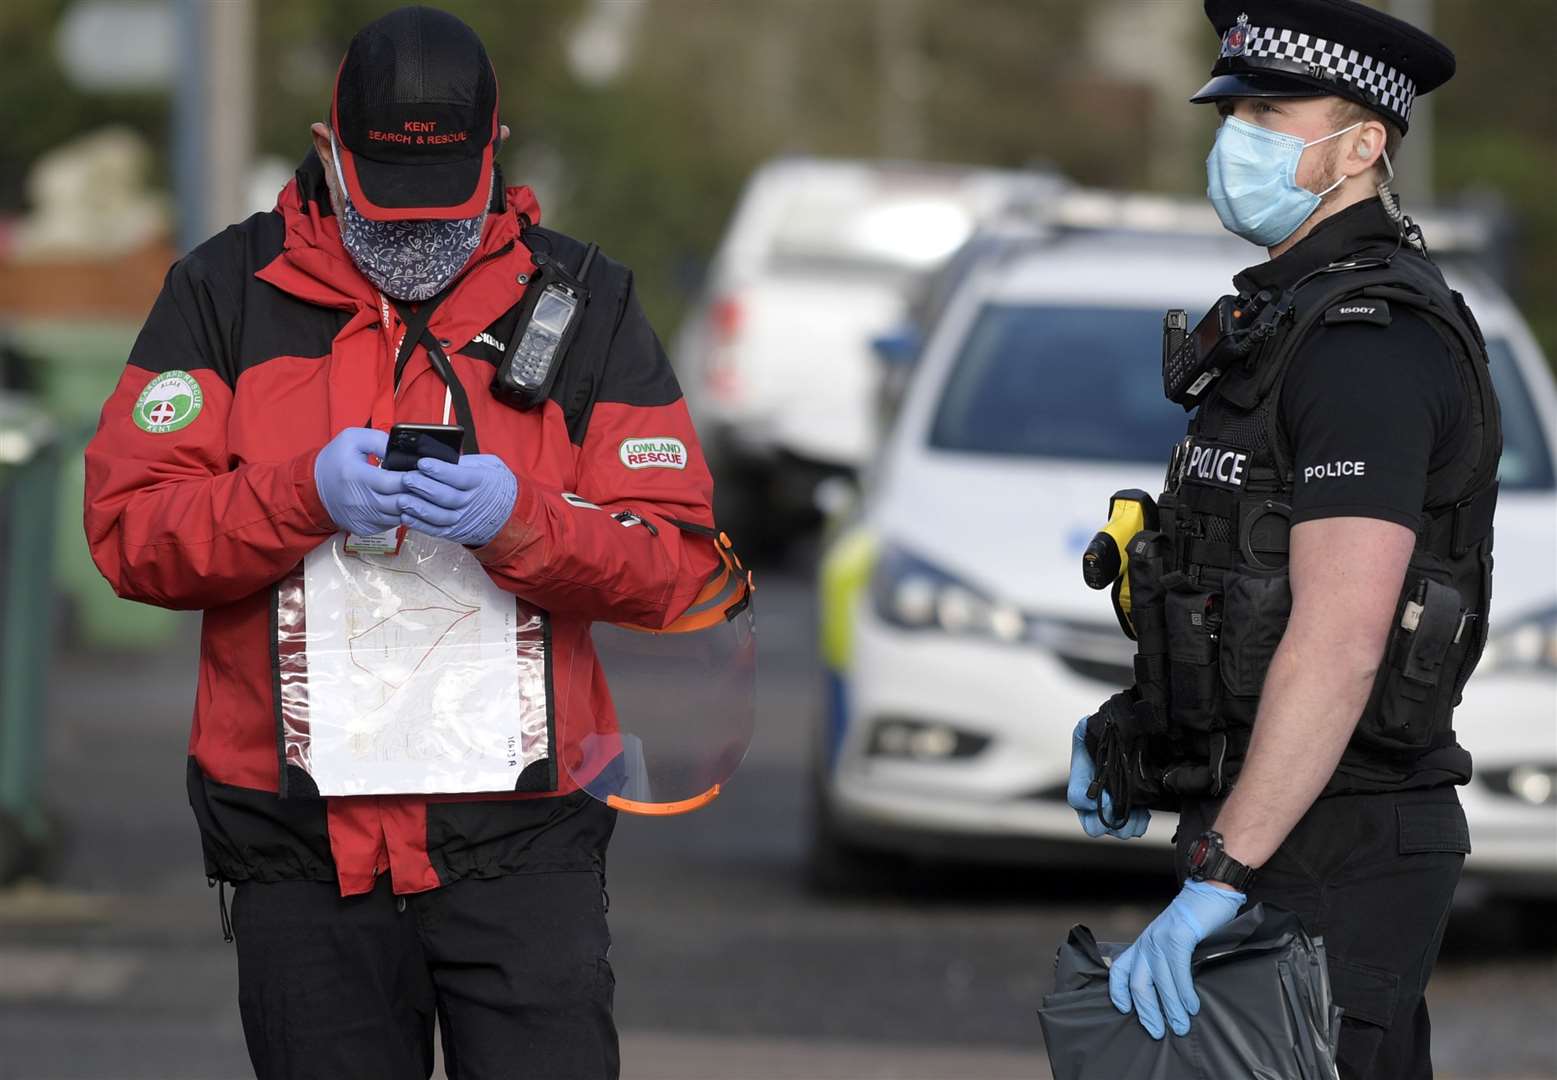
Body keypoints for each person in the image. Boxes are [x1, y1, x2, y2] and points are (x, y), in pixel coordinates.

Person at [82, 7, 723, 1078]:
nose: (416, 234)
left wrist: (524, 522)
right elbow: (128, 532)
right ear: (332, 149)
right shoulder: (221, 295)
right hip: (298, 848)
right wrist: (298, 495)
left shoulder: (585, 304)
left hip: (523, 842)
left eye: (444, 202)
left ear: (495, 152)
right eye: (385, 194)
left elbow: (682, 565)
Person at [1065, 1, 1501, 1076]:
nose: (1236, 137)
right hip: (1278, 825)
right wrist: (1142, 729)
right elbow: (1231, 585)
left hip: (1338, 843)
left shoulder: (1369, 344)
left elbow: (1343, 636)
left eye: (1268, 110)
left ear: (1361, 148)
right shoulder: (1282, 322)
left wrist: (1226, 871)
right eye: (1233, 107)